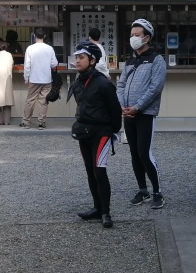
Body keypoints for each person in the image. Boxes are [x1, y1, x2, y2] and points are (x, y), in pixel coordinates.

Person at [69, 42, 122, 229]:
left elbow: (115, 110)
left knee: (99, 170)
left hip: (101, 132)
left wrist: (112, 130)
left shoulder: (103, 83)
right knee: (90, 171)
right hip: (84, 132)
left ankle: (106, 212)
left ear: (92, 60)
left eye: (81, 57)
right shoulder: (78, 81)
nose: (77, 60)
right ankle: (97, 208)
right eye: (76, 57)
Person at [117, 18, 167, 209]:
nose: (133, 38)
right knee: (134, 153)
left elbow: (155, 88)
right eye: (132, 35)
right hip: (128, 113)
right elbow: (120, 85)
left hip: (145, 114)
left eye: (137, 35)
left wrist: (137, 107)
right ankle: (142, 190)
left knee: (144, 153)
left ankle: (157, 192)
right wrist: (123, 105)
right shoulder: (130, 61)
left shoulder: (157, 60)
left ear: (147, 38)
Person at [22, 28, 57, 129]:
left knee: (30, 101)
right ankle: (41, 123)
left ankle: (26, 122)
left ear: (34, 36)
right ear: (44, 36)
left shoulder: (30, 48)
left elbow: (27, 65)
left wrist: (26, 77)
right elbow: (54, 64)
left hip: (34, 79)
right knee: (44, 101)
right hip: (46, 79)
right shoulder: (50, 49)